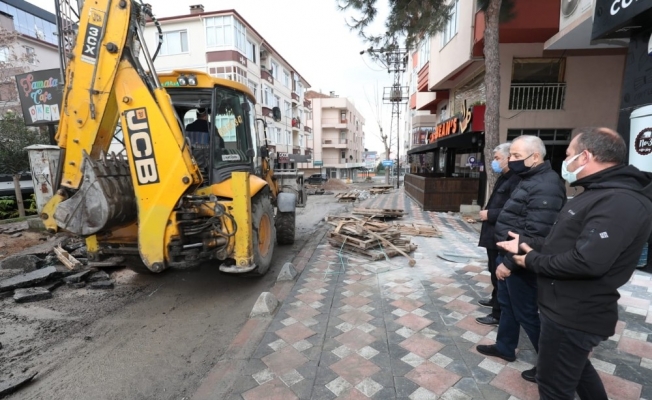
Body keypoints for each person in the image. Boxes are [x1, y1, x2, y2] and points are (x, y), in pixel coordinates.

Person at [498, 127, 652, 399]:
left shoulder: (619, 200)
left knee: (553, 387)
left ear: (585, 156)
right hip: (564, 306)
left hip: (575, 312)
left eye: (569, 154)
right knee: (578, 373)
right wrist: (525, 242)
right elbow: (565, 241)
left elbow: (587, 261)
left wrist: (531, 259)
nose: (565, 161)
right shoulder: (598, 192)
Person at [476, 135, 566, 383]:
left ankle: (550, 367)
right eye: (511, 155)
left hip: (521, 262)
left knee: (527, 313)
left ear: (535, 156)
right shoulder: (528, 179)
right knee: (508, 306)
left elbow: (536, 235)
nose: (511, 160)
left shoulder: (546, 185)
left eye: (516, 155)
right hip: (508, 254)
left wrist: (509, 263)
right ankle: (505, 346)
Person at [476, 143, 521, 326]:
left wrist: (490, 214)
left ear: (508, 158)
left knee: (499, 274)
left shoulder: (516, 180)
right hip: (492, 234)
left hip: (502, 236)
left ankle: (498, 313)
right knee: (493, 270)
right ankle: (495, 300)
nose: (494, 162)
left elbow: (514, 210)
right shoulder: (503, 177)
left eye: (497, 158)